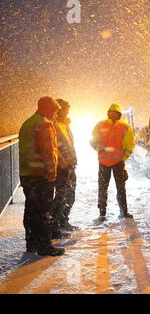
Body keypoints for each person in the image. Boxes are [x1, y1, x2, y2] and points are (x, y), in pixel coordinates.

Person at [18, 96, 65, 256]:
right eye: (54, 110)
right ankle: (45, 245)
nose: (55, 113)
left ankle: (31, 241)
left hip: (26, 173)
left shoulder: (28, 123)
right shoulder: (44, 124)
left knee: (31, 208)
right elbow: (48, 152)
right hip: (40, 175)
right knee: (43, 210)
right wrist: (52, 173)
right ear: (46, 108)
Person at [90, 103, 135, 221]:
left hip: (118, 162)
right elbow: (92, 141)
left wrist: (123, 158)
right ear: (108, 113)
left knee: (120, 188)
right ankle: (102, 212)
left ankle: (123, 211)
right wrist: (98, 149)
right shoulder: (100, 125)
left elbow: (130, 145)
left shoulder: (124, 127)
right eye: (111, 112)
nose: (112, 114)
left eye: (115, 113)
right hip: (105, 162)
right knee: (104, 188)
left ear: (119, 114)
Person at [52, 99, 78, 237]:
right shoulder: (53, 125)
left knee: (70, 195)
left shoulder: (65, 125)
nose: (68, 112)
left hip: (70, 165)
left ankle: (63, 221)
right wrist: (62, 161)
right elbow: (53, 147)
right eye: (65, 109)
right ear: (58, 110)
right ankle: (54, 227)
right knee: (61, 196)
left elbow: (69, 144)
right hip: (61, 166)